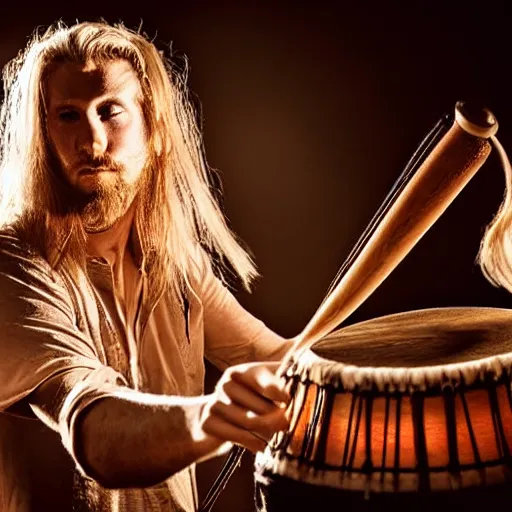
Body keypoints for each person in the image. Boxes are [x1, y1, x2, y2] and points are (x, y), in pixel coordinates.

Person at [0, 20, 294, 511]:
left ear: (154, 129)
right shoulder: (14, 262)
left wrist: (423, 359)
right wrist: (213, 418)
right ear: (43, 136)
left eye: (110, 111)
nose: (91, 140)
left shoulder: (174, 264)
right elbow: (94, 428)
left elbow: (276, 359)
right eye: (68, 116)